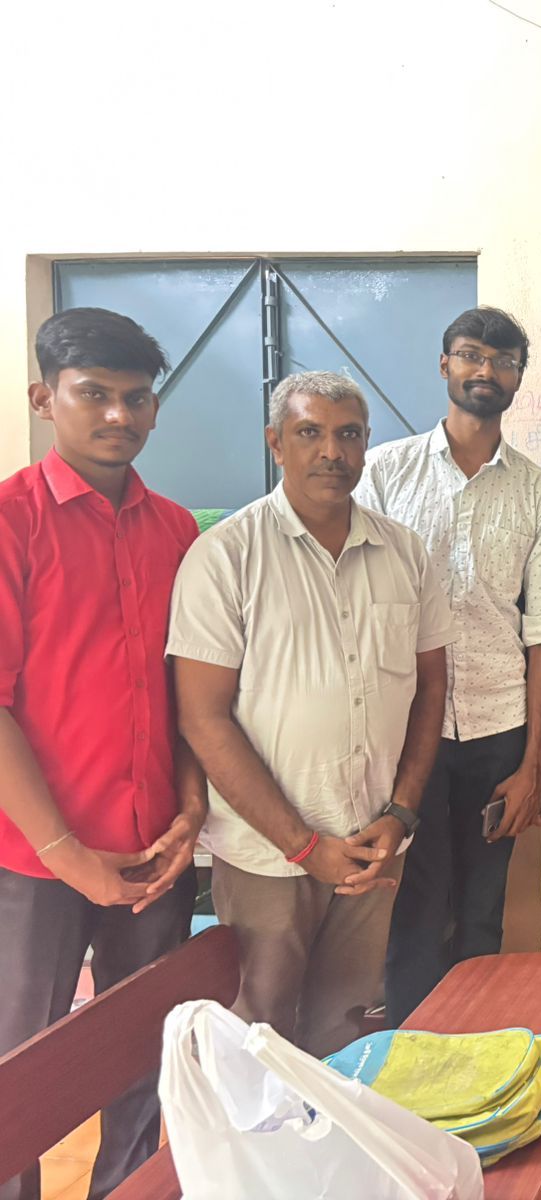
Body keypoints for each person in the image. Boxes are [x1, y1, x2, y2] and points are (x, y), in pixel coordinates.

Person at [169, 371, 453, 1057]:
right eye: (310, 433)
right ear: (276, 444)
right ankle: (258, 1166)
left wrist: (402, 813)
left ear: (365, 446)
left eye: (348, 434)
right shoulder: (225, 558)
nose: (332, 451)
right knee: (258, 1034)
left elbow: (429, 690)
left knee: (344, 1029)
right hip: (269, 858)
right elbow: (202, 719)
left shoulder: (405, 553)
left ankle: (329, 1161)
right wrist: (302, 844)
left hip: (374, 846)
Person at [0, 309, 205, 1200]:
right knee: (24, 1067)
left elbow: (188, 690)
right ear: (47, 398)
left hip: (153, 853)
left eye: (136, 398)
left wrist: (191, 810)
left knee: (143, 1051)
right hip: (35, 863)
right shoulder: (11, 522)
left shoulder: (176, 531)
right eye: (95, 395)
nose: (119, 415)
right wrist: (65, 853)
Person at [355, 307, 541, 1025]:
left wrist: (534, 761)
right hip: (403, 729)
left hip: (497, 725)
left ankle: (475, 1055)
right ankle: (411, 1056)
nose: (486, 371)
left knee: (482, 909)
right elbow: (352, 598)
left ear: (518, 377)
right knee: (412, 903)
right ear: (444, 364)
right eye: (471, 356)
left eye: (503, 360)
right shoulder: (384, 473)